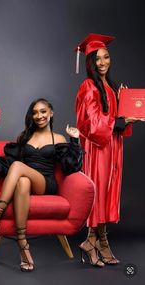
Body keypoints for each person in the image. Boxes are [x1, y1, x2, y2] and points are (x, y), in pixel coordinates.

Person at [0, 98, 83, 272]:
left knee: (18, 167)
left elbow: (71, 167)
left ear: (51, 113)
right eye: (34, 112)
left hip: (46, 184)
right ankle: (23, 245)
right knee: (22, 180)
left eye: (43, 111)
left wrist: (75, 140)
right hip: (25, 182)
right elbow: (5, 164)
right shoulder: (25, 137)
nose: (39, 116)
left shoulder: (58, 138)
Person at [75, 33, 137, 267]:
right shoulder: (88, 86)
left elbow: (112, 117)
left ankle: (97, 242)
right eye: (97, 59)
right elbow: (89, 123)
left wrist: (123, 103)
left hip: (111, 147)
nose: (102, 62)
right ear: (90, 62)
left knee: (107, 192)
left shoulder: (108, 86)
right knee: (98, 192)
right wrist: (120, 121)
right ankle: (96, 241)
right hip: (97, 148)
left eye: (106, 57)